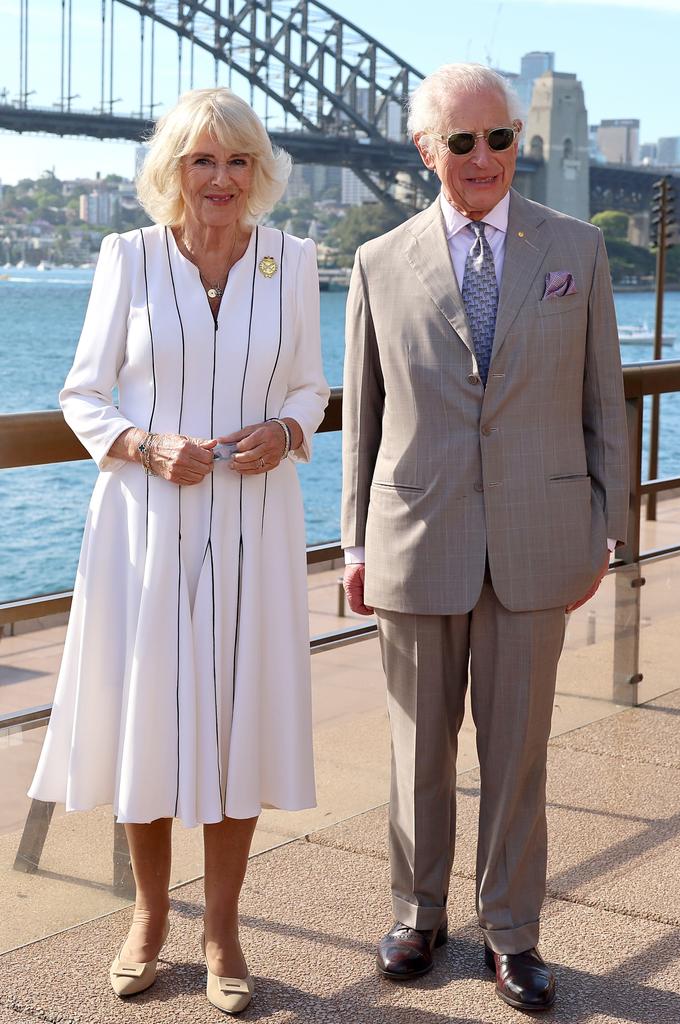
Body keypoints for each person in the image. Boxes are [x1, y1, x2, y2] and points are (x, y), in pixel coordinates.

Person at [28, 87, 329, 1014]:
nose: (222, 178)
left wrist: (288, 427)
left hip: (254, 522)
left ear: (259, 172)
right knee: (148, 721)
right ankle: (148, 918)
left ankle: (224, 929)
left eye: (238, 161)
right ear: (174, 172)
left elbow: (315, 387)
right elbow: (83, 395)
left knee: (238, 719)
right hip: (146, 526)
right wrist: (145, 444)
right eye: (203, 160)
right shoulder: (128, 258)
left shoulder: (294, 259)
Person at [341, 63, 628, 1012]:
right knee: (416, 747)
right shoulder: (380, 261)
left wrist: (605, 530)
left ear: (519, 141)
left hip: (541, 537)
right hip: (416, 535)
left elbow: (604, 406)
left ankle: (513, 932)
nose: (482, 158)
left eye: (498, 138)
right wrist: (353, 545)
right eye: (460, 141)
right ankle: (418, 915)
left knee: (518, 752)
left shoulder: (576, 250)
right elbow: (367, 419)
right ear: (427, 150)